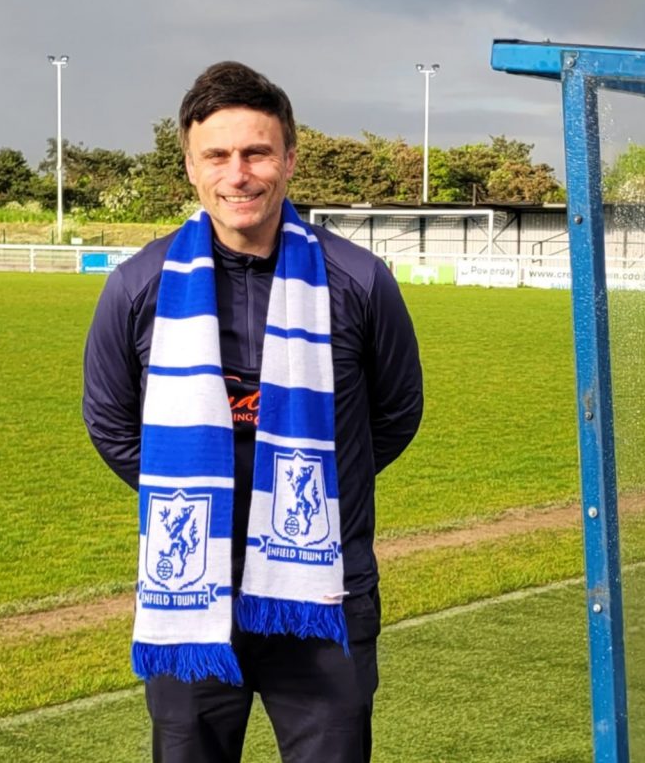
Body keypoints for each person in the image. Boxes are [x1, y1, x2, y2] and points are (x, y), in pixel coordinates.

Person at [82, 61, 423, 763]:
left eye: (257, 152)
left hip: (323, 592)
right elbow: (111, 424)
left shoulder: (359, 280)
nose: (238, 173)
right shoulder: (137, 286)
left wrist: (308, 488)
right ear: (190, 166)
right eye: (218, 155)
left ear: (290, 159)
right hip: (191, 594)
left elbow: (394, 412)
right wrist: (199, 489)